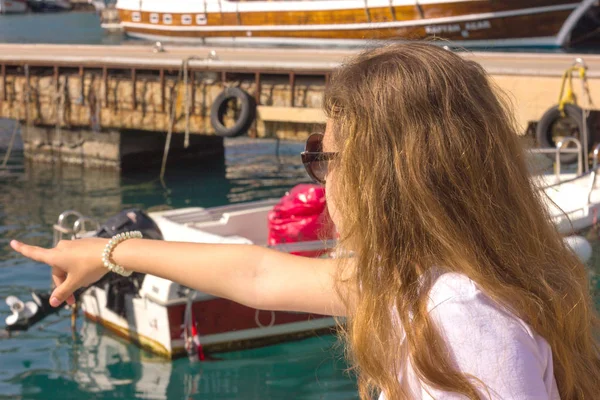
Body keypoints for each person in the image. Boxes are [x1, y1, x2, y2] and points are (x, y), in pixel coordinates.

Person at [11, 43, 600, 399]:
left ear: (385, 178)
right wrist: (108, 253)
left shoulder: (461, 315)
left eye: (325, 156)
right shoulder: (423, 283)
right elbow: (258, 274)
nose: (320, 180)